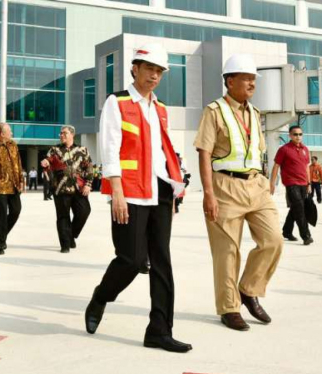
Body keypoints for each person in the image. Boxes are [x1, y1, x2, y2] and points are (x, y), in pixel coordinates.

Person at [85, 43, 192, 353]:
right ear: (134, 68)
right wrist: (115, 192)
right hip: (129, 191)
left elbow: (162, 152)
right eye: (149, 69)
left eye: (159, 71)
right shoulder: (117, 102)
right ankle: (101, 296)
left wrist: (172, 189)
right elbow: (109, 149)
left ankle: (159, 330)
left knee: (162, 262)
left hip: (159, 190)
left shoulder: (159, 108)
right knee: (131, 260)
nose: (154, 76)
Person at [194, 54, 283, 331]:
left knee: (274, 241)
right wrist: (208, 193)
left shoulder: (255, 114)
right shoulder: (214, 111)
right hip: (225, 186)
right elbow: (204, 153)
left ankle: (248, 289)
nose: (251, 83)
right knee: (227, 252)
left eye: (253, 79)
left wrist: (266, 180)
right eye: (246, 78)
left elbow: (257, 150)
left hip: (256, 186)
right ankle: (229, 307)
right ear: (229, 81)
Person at [41, 125, 93, 253]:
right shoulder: (54, 150)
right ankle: (65, 244)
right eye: (60, 133)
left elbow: (89, 168)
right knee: (63, 217)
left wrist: (88, 184)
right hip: (60, 188)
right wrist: (46, 162)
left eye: (64, 133)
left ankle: (70, 236)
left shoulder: (82, 150)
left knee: (84, 211)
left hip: (79, 188)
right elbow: (49, 160)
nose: (61, 135)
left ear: (72, 135)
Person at [271, 125, 313, 245]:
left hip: (303, 184)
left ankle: (287, 231)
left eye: (300, 134)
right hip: (291, 183)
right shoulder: (284, 149)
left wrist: (309, 183)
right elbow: (276, 166)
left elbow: (306, 168)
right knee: (300, 209)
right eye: (295, 134)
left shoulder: (305, 149)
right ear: (290, 135)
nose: (298, 136)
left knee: (296, 208)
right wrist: (272, 183)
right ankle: (306, 236)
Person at [0, 122, 23, 255]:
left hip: (13, 186)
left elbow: (18, 163)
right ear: (2, 133)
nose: (12, 133)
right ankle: (0, 244)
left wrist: (21, 181)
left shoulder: (13, 145)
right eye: (9, 131)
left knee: (16, 211)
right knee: (1, 216)